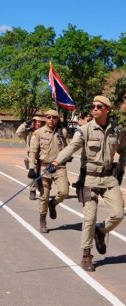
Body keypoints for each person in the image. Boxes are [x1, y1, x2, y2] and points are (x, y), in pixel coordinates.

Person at [49, 96, 126, 272]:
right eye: (93, 106)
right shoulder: (84, 130)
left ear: (107, 109)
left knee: (118, 214)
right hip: (89, 179)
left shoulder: (117, 130)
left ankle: (101, 231)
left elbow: (123, 149)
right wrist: (56, 162)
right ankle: (86, 254)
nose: (95, 109)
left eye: (99, 106)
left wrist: (121, 168)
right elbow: (71, 147)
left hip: (109, 179)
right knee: (89, 218)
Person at [28, 110, 69, 233]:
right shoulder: (38, 133)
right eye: (49, 117)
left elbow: (67, 149)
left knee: (64, 192)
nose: (51, 119)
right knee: (44, 196)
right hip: (44, 168)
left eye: (54, 117)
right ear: (45, 118)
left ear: (58, 119)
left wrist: (68, 155)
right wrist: (31, 168)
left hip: (59, 167)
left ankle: (53, 204)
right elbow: (33, 152)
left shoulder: (62, 132)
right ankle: (42, 221)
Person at [16, 116, 45, 200]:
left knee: (43, 175)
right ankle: (32, 191)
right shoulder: (28, 133)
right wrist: (25, 123)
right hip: (32, 157)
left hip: (42, 156)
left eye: (39, 122)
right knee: (34, 175)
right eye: (35, 122)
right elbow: (18, 132)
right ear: (33, 123)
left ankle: (41, 189)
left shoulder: (44, 132)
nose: (38, 123)